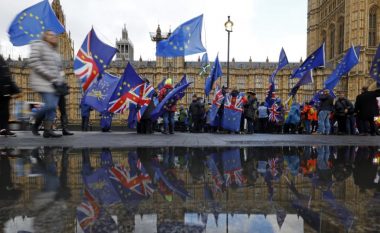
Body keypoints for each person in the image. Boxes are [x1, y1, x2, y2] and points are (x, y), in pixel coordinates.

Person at [29, 31, 65, 138]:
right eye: (50, 34)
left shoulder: (54, 52)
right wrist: (49, 75)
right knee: (50, 105)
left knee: (52, 108)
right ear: (44, 37)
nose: (53, 36)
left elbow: (58, 69)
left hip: (54, 84)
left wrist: (61, 80)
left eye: (54, 35)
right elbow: (34, 62)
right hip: (42, 81)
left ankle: (47, 130)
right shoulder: (38, 45)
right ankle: (34, 118)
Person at [0, 55, 20, 136]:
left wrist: (16, 90)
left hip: (4, 91)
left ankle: (5, 129)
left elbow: (7, 77)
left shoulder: (2, 60)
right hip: (3, 90)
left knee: (5, 112)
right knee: (4, 111)